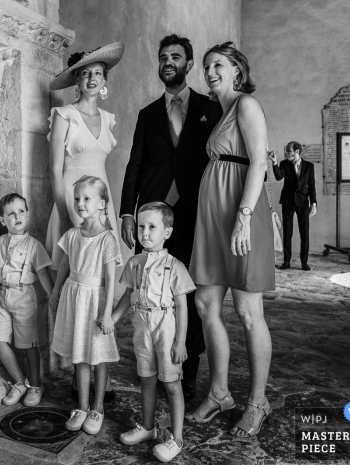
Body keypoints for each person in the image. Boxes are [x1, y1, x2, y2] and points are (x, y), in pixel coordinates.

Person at [120, 34, 223, 401]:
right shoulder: (147, 114)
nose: (168, 61)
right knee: (152, 290)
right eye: (163, 56)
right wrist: (127, 212)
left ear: (188, 64)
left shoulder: (210, 109)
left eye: (175, 57)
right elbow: (135, 165)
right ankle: (150, 360)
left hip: (197, 213)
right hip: (153, 217)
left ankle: (187, 368)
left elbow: (219, 160)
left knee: (189, 291)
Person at [186, 42, 274, 437]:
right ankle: (220, 392)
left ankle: (258, 401)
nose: (210, 71)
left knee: (247, 310)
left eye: (218, 65)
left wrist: (243, 217)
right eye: (206, 67)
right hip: (213, 219)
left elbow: (258, 161)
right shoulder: (219, 112)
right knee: (206, 303)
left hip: (241, 213)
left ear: (237, 70)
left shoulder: (246, 105)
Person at [46, 42, 124, 402]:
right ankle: (77, 371)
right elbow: (55, 169)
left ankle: (100, 373)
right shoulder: (64, 115)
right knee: (73, 286)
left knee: (102, 287)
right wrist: (65, 213)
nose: (92, 78)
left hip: (102, 207)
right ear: (76, 81)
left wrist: (107, 214)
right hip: (71, 205)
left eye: (97, 73)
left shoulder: (108, 120)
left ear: (104, 80)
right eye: (85, 73)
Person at [112, 202, 195, 462]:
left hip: (166, 328)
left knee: (171, 383)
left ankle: (177, 438)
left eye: (152, 227)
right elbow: (127, 295)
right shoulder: (135, 263)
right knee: (146, 378)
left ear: (167, 232)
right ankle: (148, 428)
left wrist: (180, 342)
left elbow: (182, 306)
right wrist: (112, 319)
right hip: (142, 325)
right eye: (141, 226)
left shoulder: (175, 266)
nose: (144, 233)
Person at [49, 175, 120, 436]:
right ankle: (81, 406)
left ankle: (97, 408)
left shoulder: (107, 239)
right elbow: (64, 266)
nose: (80, 203)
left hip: (95, 301)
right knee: (79, 354)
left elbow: (111, 278)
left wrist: (107, 313)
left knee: (98, 357)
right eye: (77, 198)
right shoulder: (72, 235)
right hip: (74, 297)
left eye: (87, 198)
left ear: (102, 203)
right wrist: (56, 291)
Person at [0, 193, 54, 407]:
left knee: (28, 345)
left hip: (23, 297)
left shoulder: (34, 246)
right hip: (2, 297)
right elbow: (1, 267)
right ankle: (20, 382)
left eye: (21, 211)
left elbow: (44, 274)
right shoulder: (1, 241)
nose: (17, 216)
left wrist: (53, 297)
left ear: (27, 214)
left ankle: (35, 385)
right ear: (2, 220)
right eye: (11, 213)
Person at [270, 142, 317, 270]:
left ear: (297, 152)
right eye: (286, 151)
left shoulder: (309, 166)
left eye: (289, 151)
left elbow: (312, 186)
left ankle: (304, 262)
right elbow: (279, 177)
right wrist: (274, 162)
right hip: (288, 201)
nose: (286, 153)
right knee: (287, 232)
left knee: (304, 233)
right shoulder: (284, 163)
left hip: (303, 202)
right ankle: (286, 261)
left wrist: (313, 203)